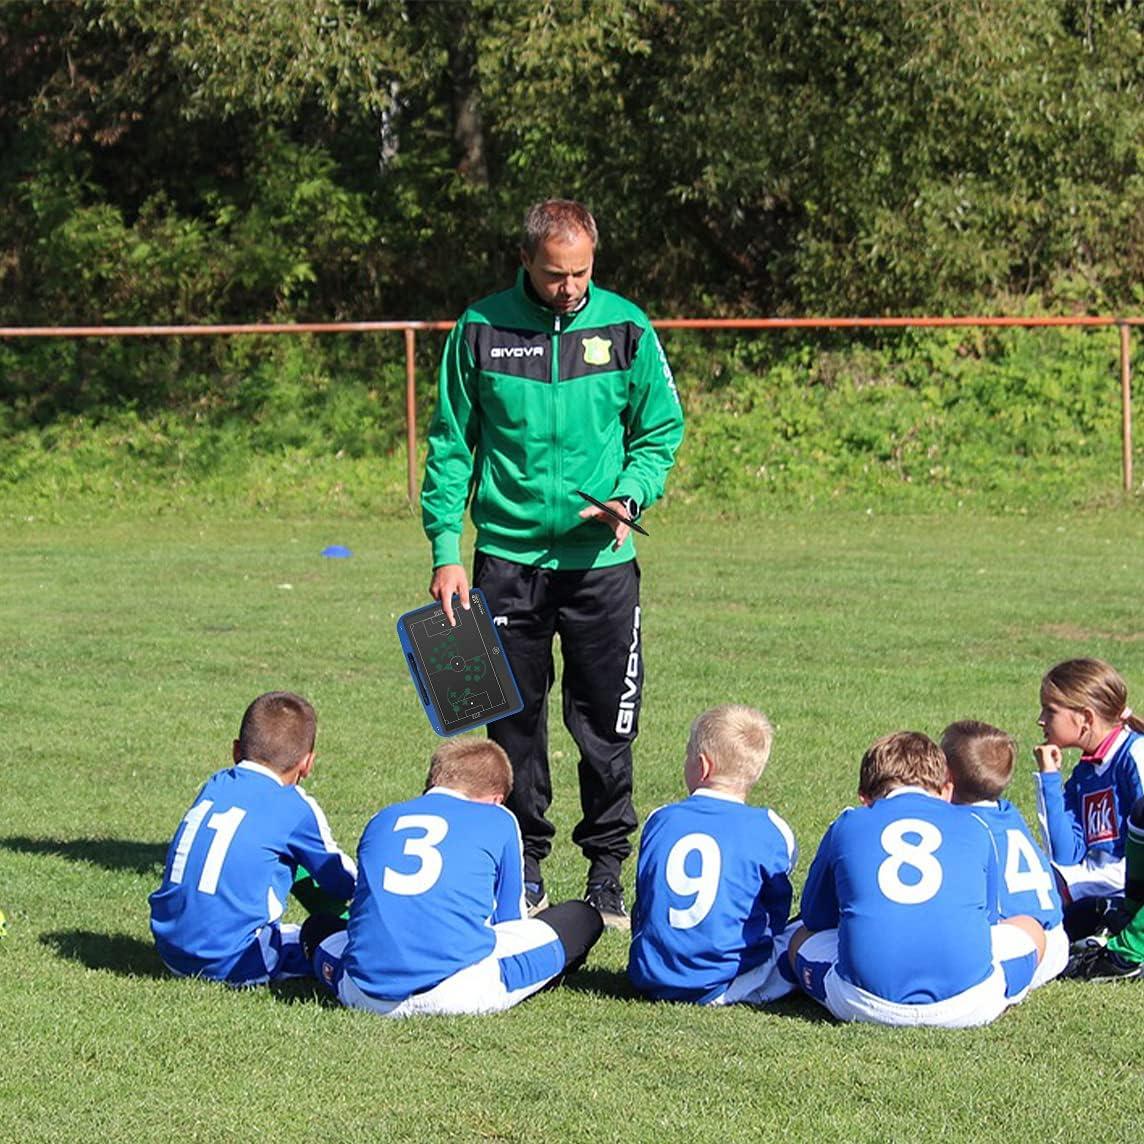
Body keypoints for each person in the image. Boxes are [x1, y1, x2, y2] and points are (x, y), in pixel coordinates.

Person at [420, 198, 685, 928]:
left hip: (602, 564)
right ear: (527, 260)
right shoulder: (480, 328)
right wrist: (447, 552)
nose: (570, 288)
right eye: (555, 274)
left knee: (607, 724)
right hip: (505, 560)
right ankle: (523, 867)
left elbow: (660, 431)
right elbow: (450, 446)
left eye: (582, 273)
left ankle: (606, 875)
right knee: (512, 725)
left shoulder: (627, 326)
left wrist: (630, 496)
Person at [311, 737, 604, 1017]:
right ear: (496, 799)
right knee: (582, 917)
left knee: (318, 926)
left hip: (364, 993)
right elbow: (510, 921)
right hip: (459, 991)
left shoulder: (383, 818)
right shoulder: (499, 818)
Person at [789, 731, 1045, 1028]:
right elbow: (988, 920)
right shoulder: (975, 826)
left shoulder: (847, 823)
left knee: (798, 938)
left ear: (864, 797)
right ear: (947, 789)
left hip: (864, 1003)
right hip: (968, 1004)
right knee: (1031, 928)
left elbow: (815, 918)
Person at [148, 691, 357, 986]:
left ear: (236, 750)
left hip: (169, 950)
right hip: (234, 961)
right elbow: (343, 882)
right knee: (326, 935)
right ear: (307, 763)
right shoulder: (293, 804)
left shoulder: (216, 784)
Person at [627, 705, 799, 1005]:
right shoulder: (772, 829)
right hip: (726, 981)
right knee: (802, 932)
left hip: (649, 975)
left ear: (703, 766)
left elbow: (645, 899)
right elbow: (776, 908)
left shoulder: (660, 818)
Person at [1032, 657, 1144, 980]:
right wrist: (1049, 777)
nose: (1041, 720)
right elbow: (1065, 853)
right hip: (1096, 887)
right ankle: (1099, 926)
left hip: (1127, 886)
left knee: (1046, 891)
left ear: (1085, 718)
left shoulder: (1133, 756)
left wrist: (1072, 884)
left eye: (1049, 710)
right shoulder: (1084, 772)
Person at [941, 719, 1067, 988]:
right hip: (1057, 937)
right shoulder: (1007, 812)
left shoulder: (965, 827)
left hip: (1027, 946)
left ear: (947, 776)